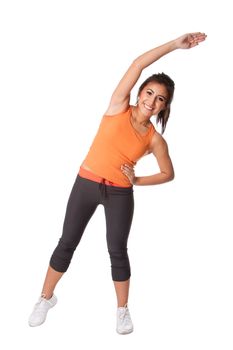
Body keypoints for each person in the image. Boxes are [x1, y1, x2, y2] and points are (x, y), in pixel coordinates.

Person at [28, 32, 207, 334]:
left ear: (165, 107)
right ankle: (45, 298)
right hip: (85, 183)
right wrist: (174, 46)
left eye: (160, 99)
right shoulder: (117, 107)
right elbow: (138, 63)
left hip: (120, 193)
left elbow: (168, 174)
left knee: (117, 250)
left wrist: (136, 179)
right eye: (149, 93)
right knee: (66, 243)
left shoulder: (155, 139)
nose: (153, 101)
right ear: (140, 93)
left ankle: (122, 310)